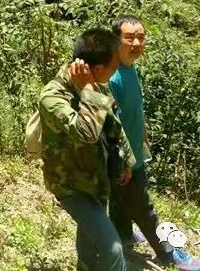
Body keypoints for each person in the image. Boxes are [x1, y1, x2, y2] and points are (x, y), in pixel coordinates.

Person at [108, 16, 200, 271]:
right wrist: (125, 160)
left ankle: (123, 235)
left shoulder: (130, 68)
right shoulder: (112, 76)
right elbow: (111, 124)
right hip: (123, 156)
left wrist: (143, 133)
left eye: (141, 37)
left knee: (120, 198)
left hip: (134, 149)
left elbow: (133, 110)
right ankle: (169, 254)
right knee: (144, 206)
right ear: (115, 40)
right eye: (129, 37)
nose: (136, 42)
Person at [38, 28, 135, 271]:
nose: (114, 73)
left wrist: (127, 161)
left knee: (90, 245)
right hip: (70, 185)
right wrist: (88, 91)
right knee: (113, 250)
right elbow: (86, 133)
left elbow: (113, 122)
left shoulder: (98, 83)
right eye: (113, 68)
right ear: (98, 68)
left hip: (96, 178)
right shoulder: (52, 97)